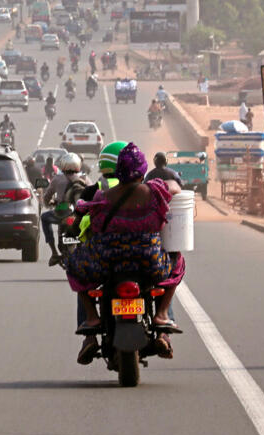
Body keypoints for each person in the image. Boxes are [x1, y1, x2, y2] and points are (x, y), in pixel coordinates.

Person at [67, 143, 185, 363]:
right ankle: (161, 316)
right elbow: (175, 189)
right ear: (142, 171)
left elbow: (83, 207)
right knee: (177, 261)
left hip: (108, 261)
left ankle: (92, 321)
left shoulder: (104, 196)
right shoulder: (155, 190)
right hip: (149, 261)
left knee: (74, 266)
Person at [40, 153, 85, 266]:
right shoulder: (84, 179)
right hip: (78, 216)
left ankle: (54, 252)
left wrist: (48, 203)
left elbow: (47, 197)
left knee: (44, 218)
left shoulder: (57, 179)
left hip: (62, 214)